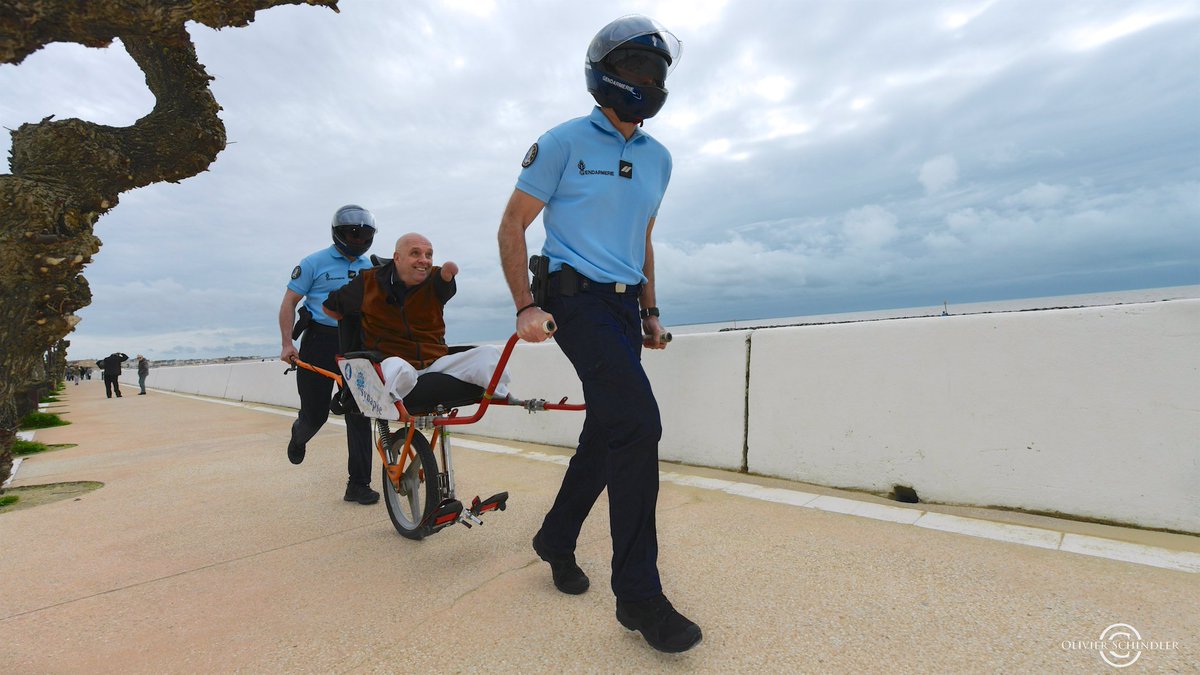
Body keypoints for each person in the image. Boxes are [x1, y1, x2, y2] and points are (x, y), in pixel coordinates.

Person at [495, 15, 699, 654]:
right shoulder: (560, 142)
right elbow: (512, 227)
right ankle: (639, 596)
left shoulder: (659, 158)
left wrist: (651, 312)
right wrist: (525, 306)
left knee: (606, 431)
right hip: (570, 300)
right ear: (605, 75)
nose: (648, 81)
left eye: (657, 72)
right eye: (638, 69)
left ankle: (555, 538)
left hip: (620, 309)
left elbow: (641, 240)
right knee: (638, 422)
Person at [323, 233, 509, 403]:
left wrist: (446, 278)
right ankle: (396, 401)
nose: (424, 260)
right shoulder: (369, 281)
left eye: (429, 255)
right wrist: (356, 319)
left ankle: (501, 394)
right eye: (415, 253)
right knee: (398, 369)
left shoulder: (435, 278)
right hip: (391, 361)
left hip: (435, 363)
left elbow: (444, 286)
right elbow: (330, 308)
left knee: (489, 354)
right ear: (397, 257)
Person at [279, 204, 378, 506]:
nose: (358, 239)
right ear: (339, 234)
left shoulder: (371, 266)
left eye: (364, 235)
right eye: (352, 234)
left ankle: (358, 485)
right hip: (319, 342)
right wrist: (287, 344)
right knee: (316, 414)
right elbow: (289, 303)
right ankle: (299, 436)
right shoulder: (313, 263)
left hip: (355, 343)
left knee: (360, 413)